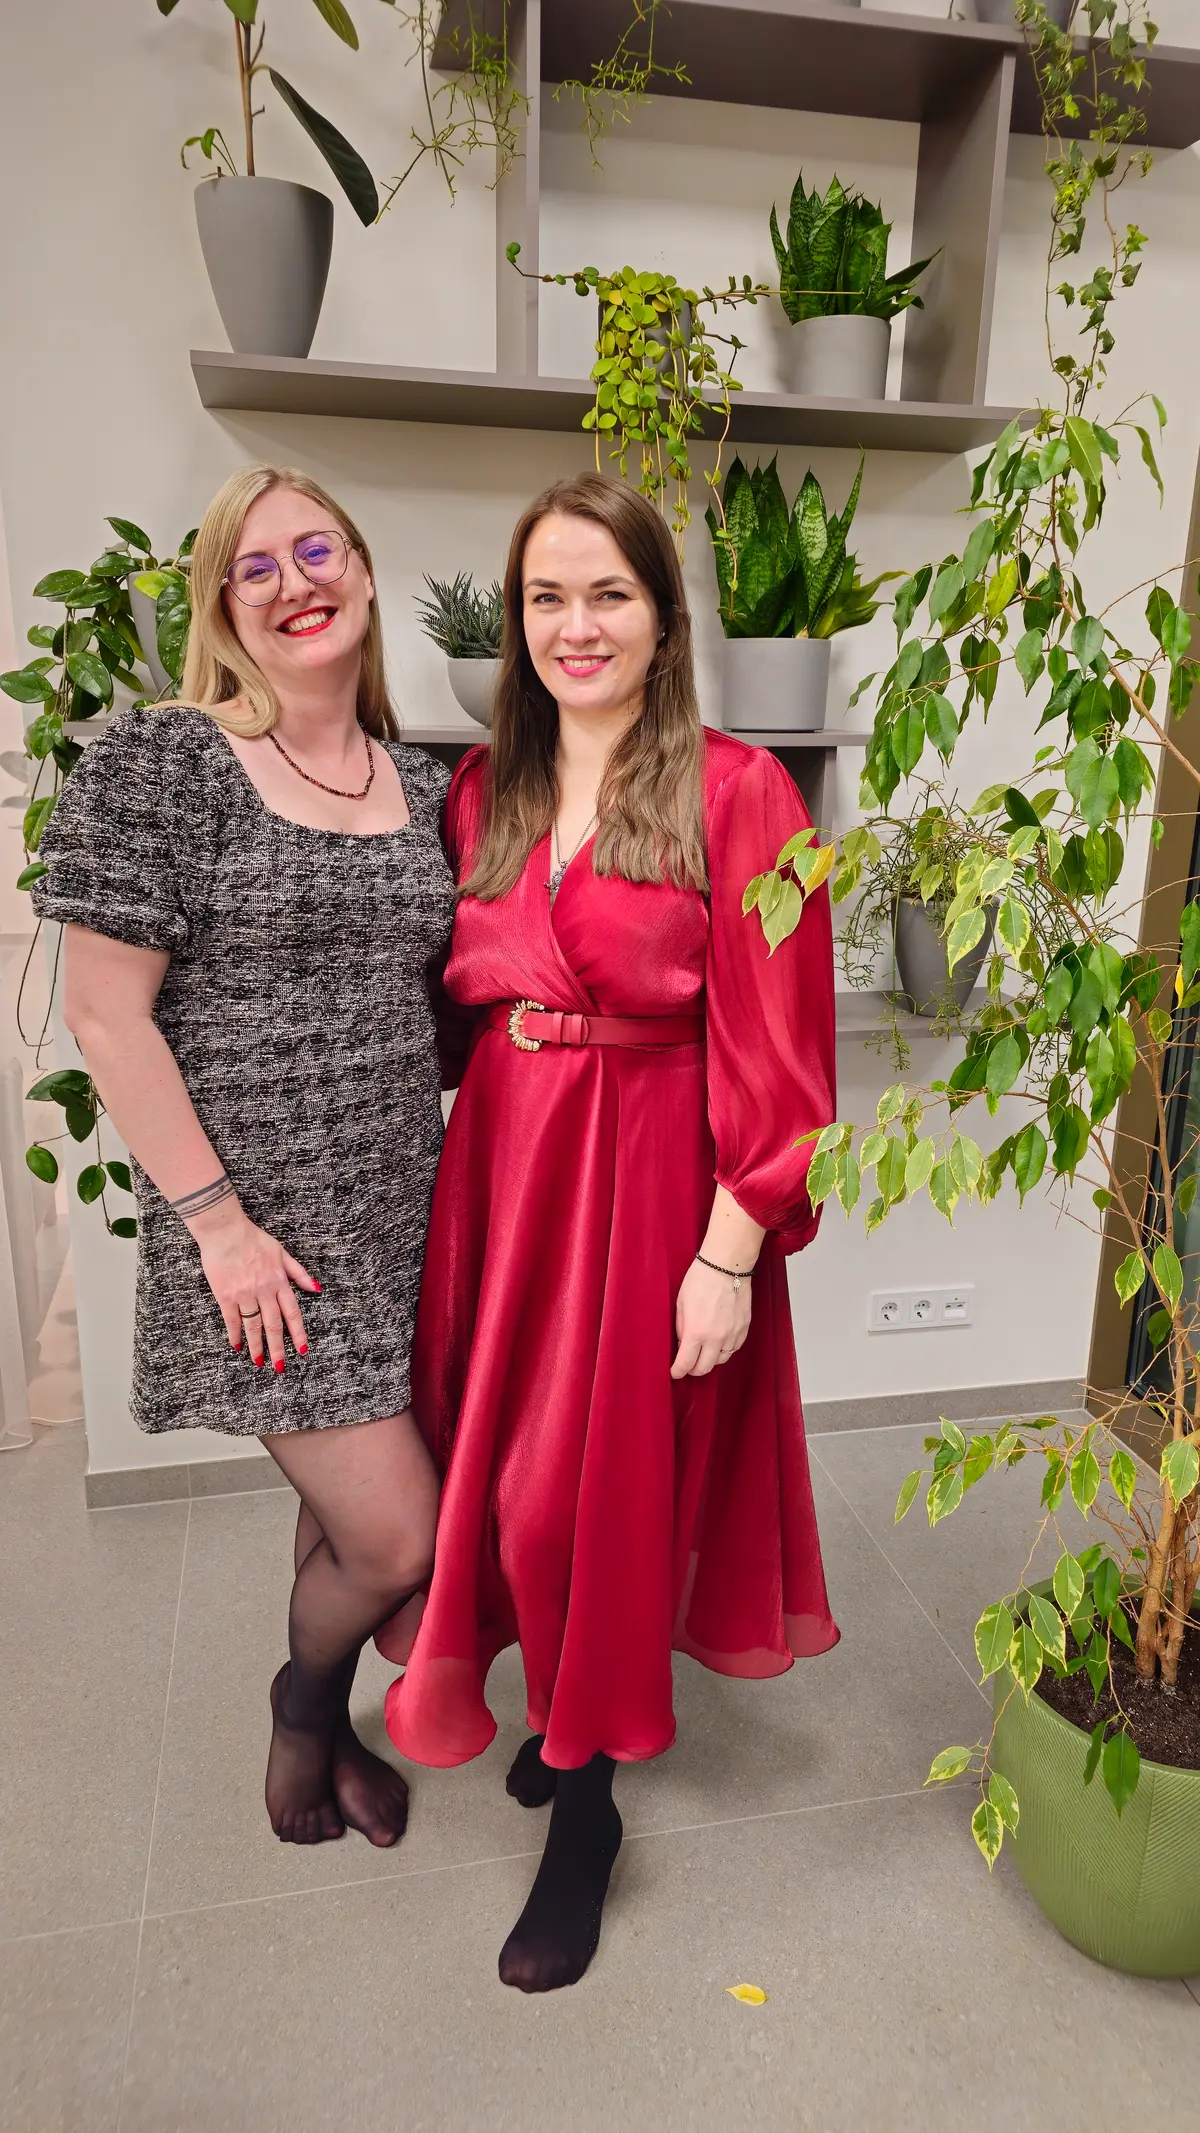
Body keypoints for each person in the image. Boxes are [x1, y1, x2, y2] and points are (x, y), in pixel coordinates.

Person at [381, 472, 839, 1992]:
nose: (576, 626)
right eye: (546, 598)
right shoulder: (481, 792)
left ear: (663, 616)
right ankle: (560, 1713)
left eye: (609, 595)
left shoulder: (741, 793)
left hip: (651, 1191)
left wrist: (731, 1249)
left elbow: (786, 1050)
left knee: (595, 1503)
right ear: (517, 621)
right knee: (508, 1490)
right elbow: (443, 1013)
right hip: (506, 1182)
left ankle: (586, 1805)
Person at [33, 465, 454, 1851]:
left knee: (342, 1516)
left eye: (316, 551)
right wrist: (217, 1227)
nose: (293, 584)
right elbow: (107, 1016)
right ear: (222, 606)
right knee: (398, 1538)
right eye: (253, 567)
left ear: (366, 570)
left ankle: (325, 1727)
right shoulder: (164, 764)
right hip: (257, 1232)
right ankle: (301, 1713)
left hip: (402, 1213)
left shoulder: (423, 781)